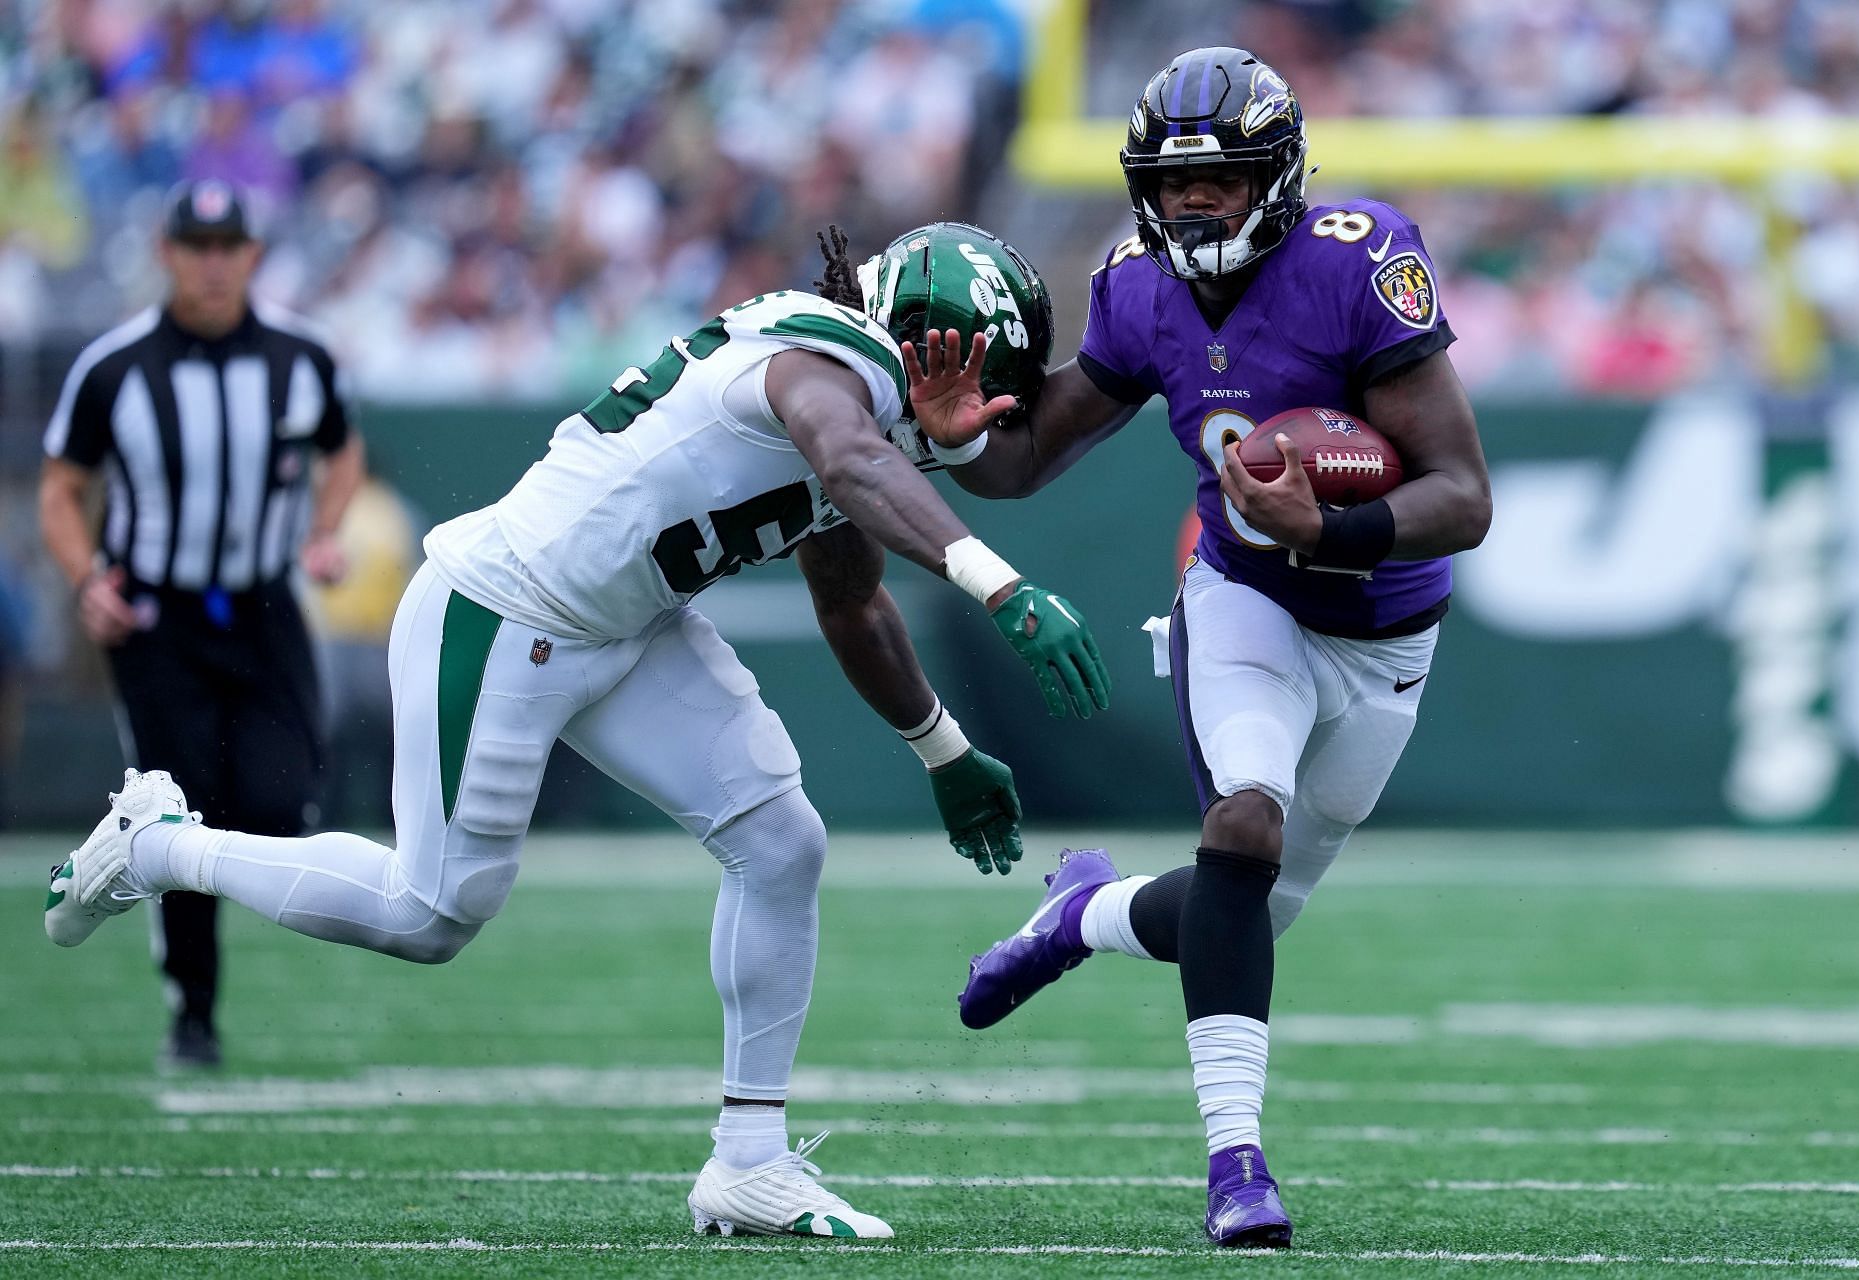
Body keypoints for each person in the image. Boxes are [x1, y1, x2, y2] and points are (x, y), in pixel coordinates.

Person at [46, 222, 1111, 1240]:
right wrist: (1001, 584)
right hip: (505, 611)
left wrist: (942, 746)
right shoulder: (825, 357)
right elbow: (846, 460)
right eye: (989, 378)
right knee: (431, 912)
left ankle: (749, 1161)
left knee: (781, 839)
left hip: (630, 624)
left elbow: (848, 597)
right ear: (933, 341)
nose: (991, 415)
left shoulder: (866, 407)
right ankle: (155, 842)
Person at [905, 49, 1492, 1247]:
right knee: (1242, 829)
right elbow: (1023, 463)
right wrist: (957, 439)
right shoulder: (1136, 287)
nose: (1192, 205)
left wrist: (1336, 524)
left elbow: (1465, 496)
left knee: (1246, 913)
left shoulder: (1355, 263)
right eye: (1172, 187)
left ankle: (1081, 913)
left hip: (1385, 633)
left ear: (1273, 176)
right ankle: (1237, 1164)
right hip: (1244, 598)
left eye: (1219, 180)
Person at [38, 178, 365, 1070]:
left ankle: (156, 881)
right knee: (179, 812)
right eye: (197, 247)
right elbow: (61, 486)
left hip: (264, 607)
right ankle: (192, 1013)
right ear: (169, 254)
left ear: (252, 256)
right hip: (159, 618)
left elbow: (344, 449)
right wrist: (84, 580)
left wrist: (327, 532)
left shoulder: (303, 354)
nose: (213, 266)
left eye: (229, 248)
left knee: (278, 802)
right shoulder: (115, 366)